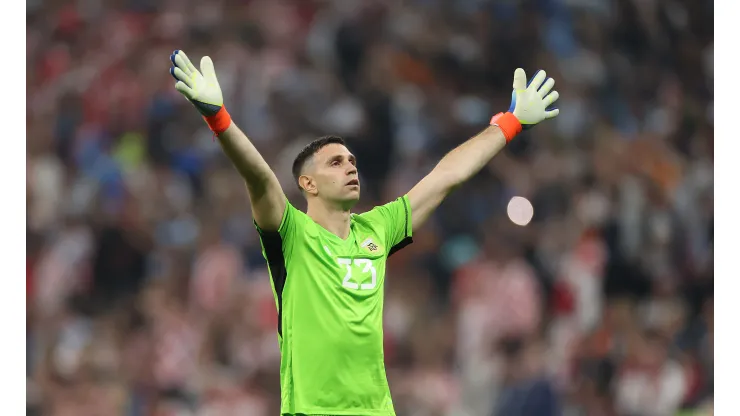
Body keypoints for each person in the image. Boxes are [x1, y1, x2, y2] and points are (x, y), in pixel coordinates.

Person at [169, 50, 560, 416]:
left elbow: (446, 177)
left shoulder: (377, 228)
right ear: (308, 183)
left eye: (352, 161)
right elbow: (260, 179)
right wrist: (219, 117)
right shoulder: (291, 234)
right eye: (336, 163)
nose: (351, 168)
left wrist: (509, 123)